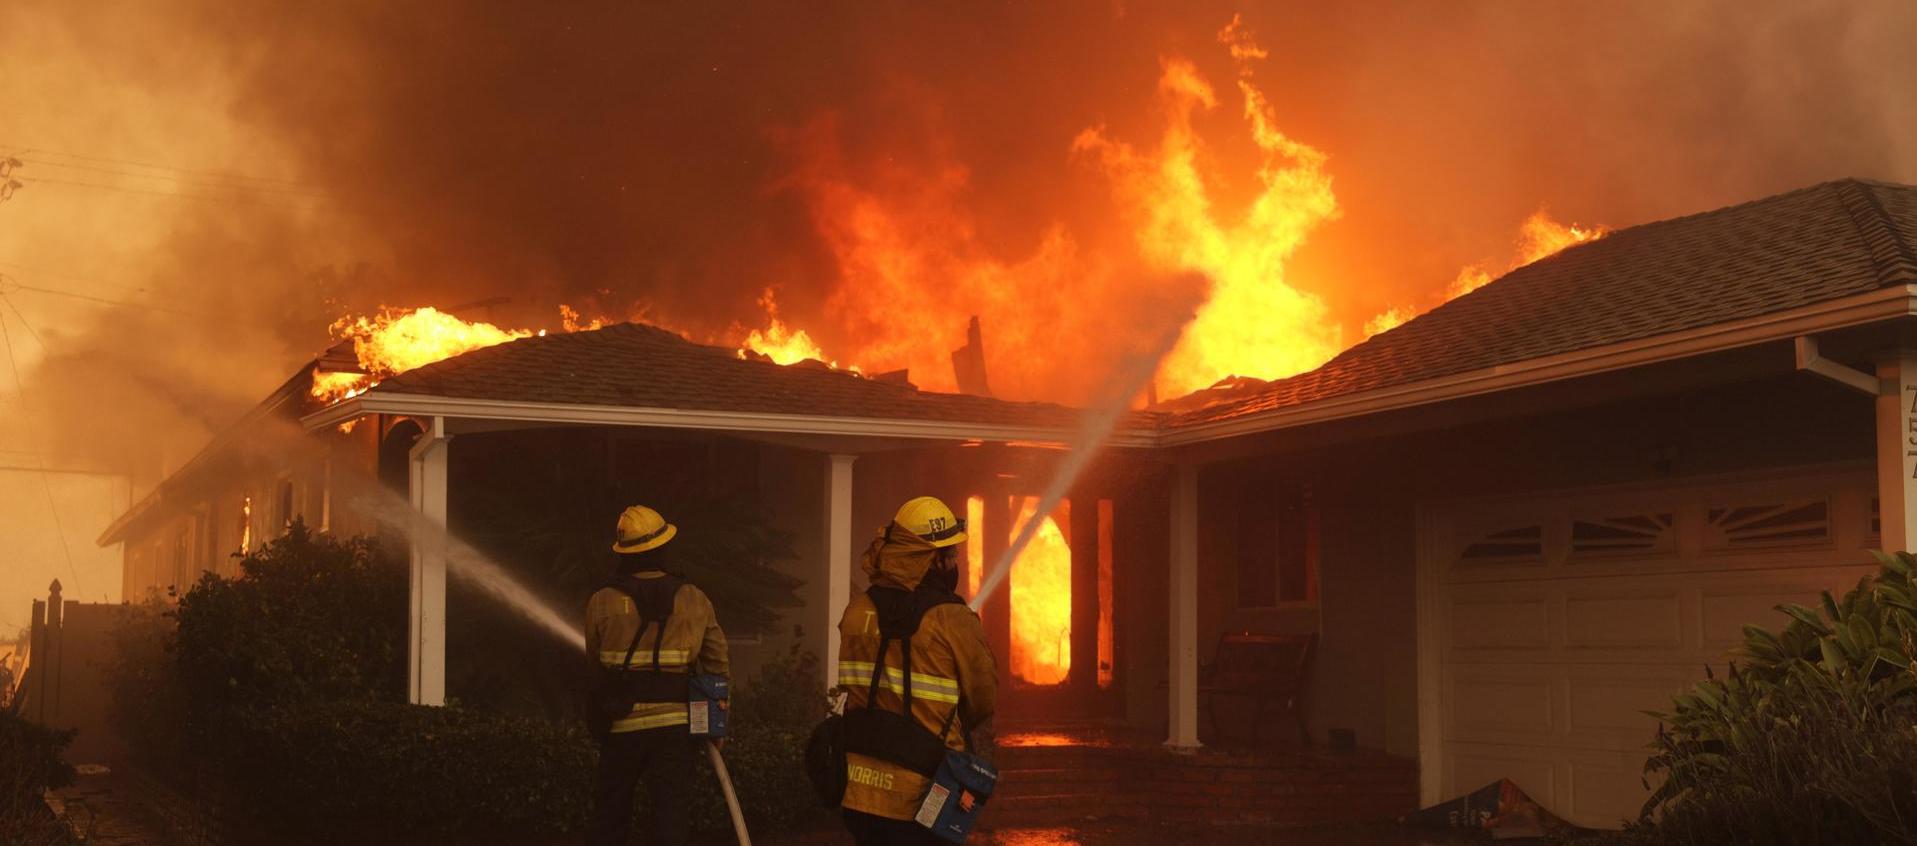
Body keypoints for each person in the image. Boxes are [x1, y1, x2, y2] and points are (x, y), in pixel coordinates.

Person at [836, 496, 998, 845]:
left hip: (858, 788)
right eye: (950, 555)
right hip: (925, 790)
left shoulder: (856, 610)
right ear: (930, 559)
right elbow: (983, 699)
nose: (955, 563)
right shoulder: (952, 618)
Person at [586, 504, 728, 846]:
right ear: (662, 548)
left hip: (621, 726)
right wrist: (716, 724)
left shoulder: (602, 600)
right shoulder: (693, 597)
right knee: (670, 816)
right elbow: (716, 663)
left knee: (611, 814)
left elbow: (593, 665)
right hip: (676, 729)